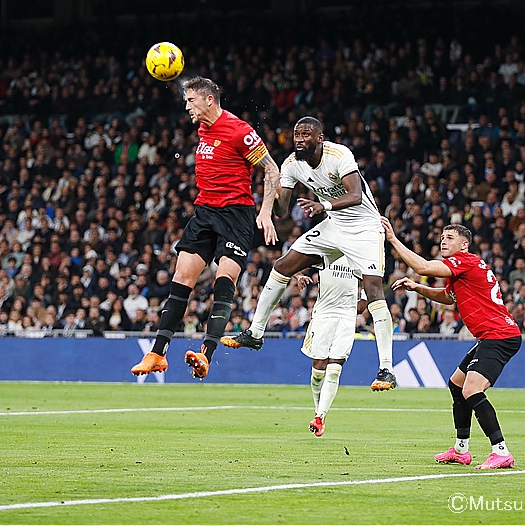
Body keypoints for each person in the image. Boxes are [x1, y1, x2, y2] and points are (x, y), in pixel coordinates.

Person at [221, 116, 396, 392]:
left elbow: (356, 195)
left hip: (364, 227)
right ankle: (255, 333)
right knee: (283, 265)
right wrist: (270, 194)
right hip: (334, 225)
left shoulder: (339, 155)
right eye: (296, 134)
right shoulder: (291, 165)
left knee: (374, 289)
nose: (299, 139)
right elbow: (282, 209)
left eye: (306, 134)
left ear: (320, 138)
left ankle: (386, 368)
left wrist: (322, 205)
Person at [130, 76, 279, 380]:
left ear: (209, 99)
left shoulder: (240, 131)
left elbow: (271, 170)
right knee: (181, 278)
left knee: (223, 282)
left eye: (191, 100)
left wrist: (265, 212)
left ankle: (206, 354)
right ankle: (158, 353)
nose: (187, 106)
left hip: (236, 216)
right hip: (205, 212)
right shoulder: (203, 128)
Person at [381, 218, 521, 469]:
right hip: (491, 335)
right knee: (457, 384)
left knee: (471, 390)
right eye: (442, 237)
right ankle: (461, 449)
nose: (443, 241)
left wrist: (392, 239)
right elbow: (448, 297)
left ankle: (501, 451)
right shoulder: (462, 270)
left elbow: (423, 266)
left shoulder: (465, 261)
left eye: (450, 238)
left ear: (464, 245)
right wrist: (417, 287)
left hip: (499, 335)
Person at [297, 256, 366, 437]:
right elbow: (292, 261)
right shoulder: (326, 252)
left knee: (334, 369)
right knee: (318, 371)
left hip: (346, 319)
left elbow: (370, 276)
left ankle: (320, 417)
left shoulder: (356, 254)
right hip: (323, 317)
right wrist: (298, 276)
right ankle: (318, 410)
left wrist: (364, 298)